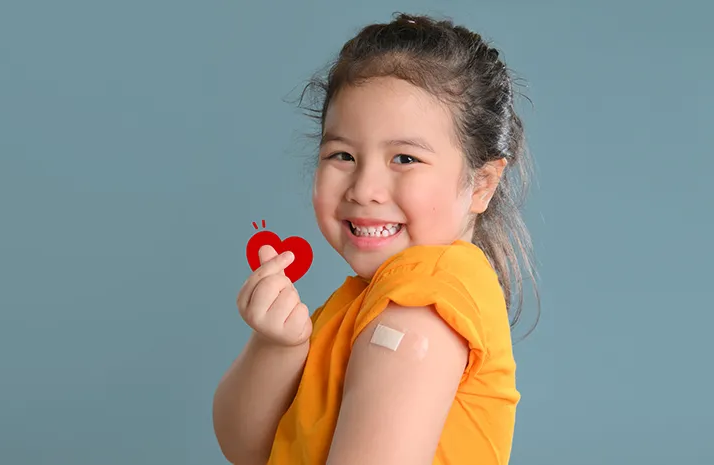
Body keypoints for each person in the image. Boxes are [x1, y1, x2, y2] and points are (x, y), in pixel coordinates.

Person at [213, 12, 538, 465]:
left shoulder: (423, 301)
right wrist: (277, 346)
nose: (364, 189)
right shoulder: (361, 301)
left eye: (404, 158)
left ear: (481, 184)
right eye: (342, 154)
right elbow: (248, 448)